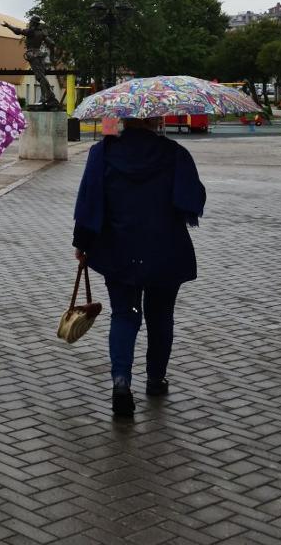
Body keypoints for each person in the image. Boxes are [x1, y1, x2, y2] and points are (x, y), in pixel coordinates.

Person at [72, 116, 205, 417]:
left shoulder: (102, 153)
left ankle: (121, 382)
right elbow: (192, 202)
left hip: (118, 250)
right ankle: (156, 380)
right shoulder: (175, 153)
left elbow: (88, 202)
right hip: (165, 250)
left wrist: (82, 244)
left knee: (124, 315)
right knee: (161, 316)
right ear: (156, 120)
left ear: (125, 120)